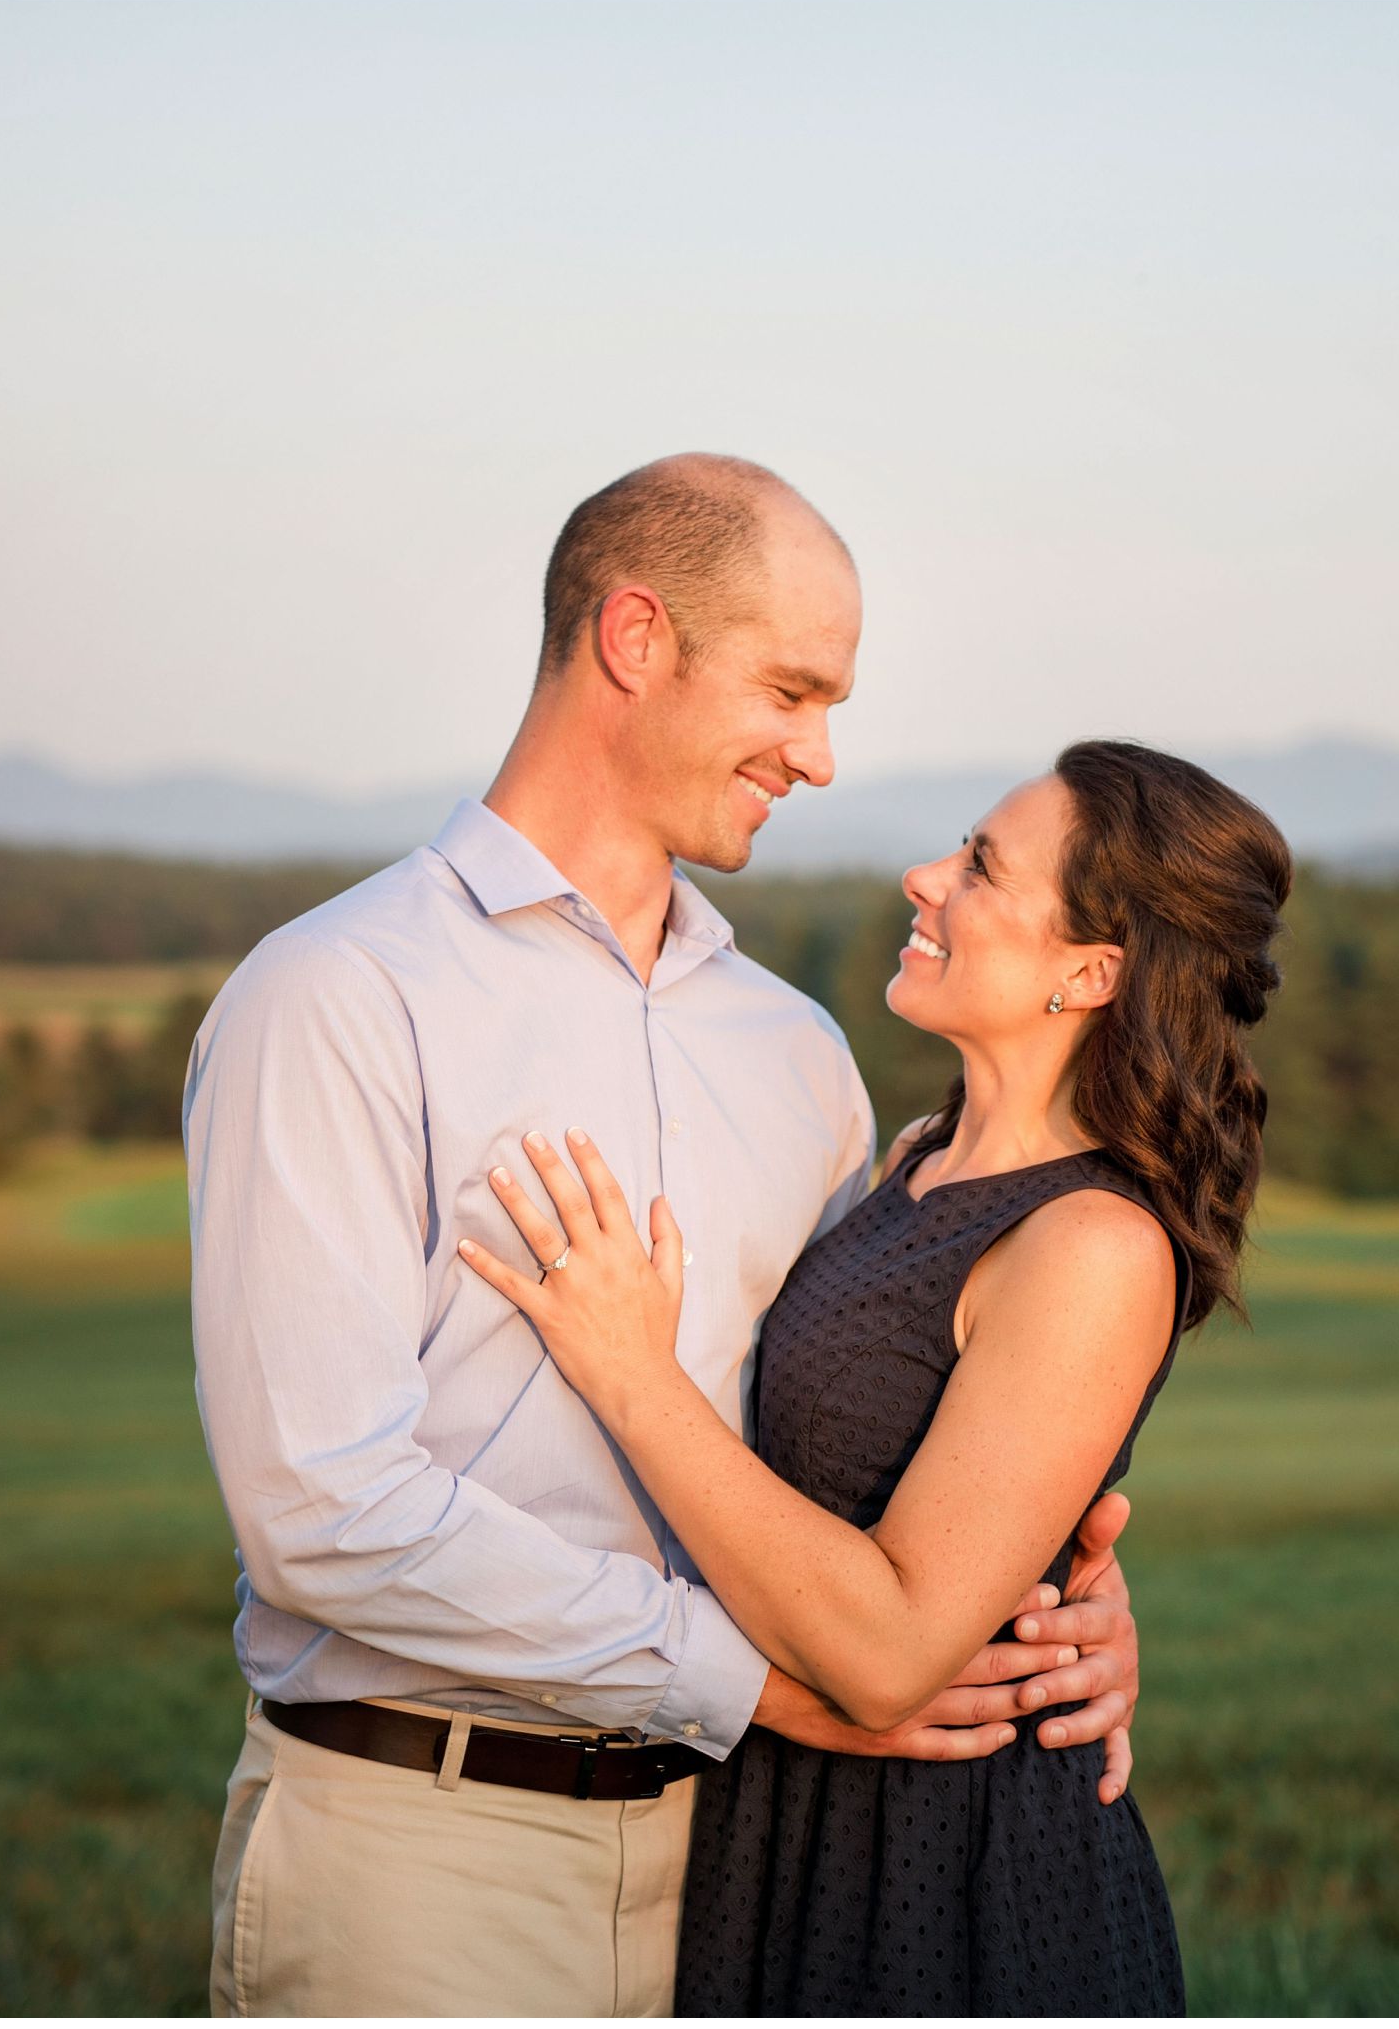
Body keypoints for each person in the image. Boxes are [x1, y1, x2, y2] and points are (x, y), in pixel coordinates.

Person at [185, 455, 1145, 2018]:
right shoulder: (339, 995)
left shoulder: (794, 1050)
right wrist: (752, 1678)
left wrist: (1050, 1613)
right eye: (790, 688)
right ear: (636, 636)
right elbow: (320, 1503)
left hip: (749, 1871)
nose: (820, 756)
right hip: (433, 1859)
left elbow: (879, 1428)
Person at [459, 739, 1293, 2014]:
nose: (924, 879)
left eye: (978, 868)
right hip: (787, 1823)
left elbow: (898, 1648)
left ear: (1089, 971)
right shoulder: (915, 1158)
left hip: (945, 1869)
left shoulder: (1094, 1244)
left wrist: (630, 1374)